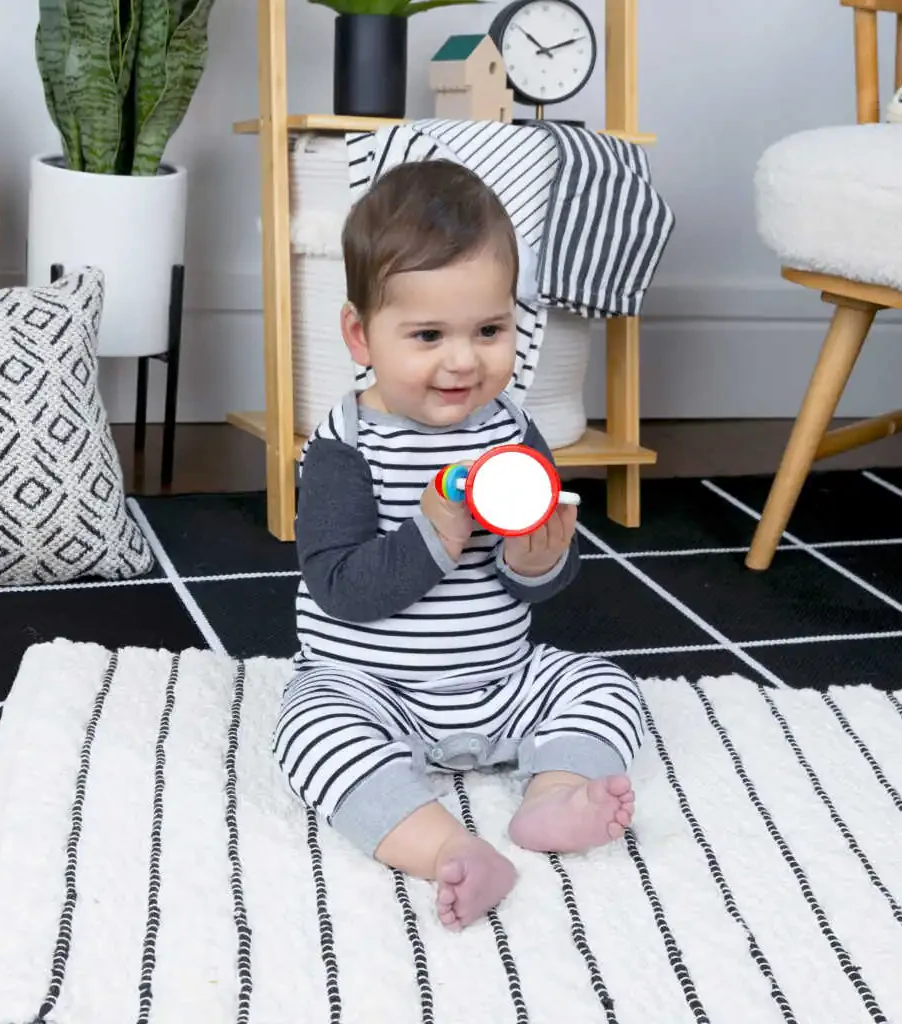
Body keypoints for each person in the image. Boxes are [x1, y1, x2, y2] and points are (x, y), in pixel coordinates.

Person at [275, 159, 644, 931]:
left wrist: (536, 562)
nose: (463, 360)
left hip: (501, 681)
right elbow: (340, 588)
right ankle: (444, 844)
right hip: (372, 687)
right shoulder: (345, 445)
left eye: (489, 330)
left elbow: (532, 575)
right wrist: (434, 535)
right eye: (427, 335)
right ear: (360, 335)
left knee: (603, 684)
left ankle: (553, 798)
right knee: (309, 728)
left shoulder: (512, 431)